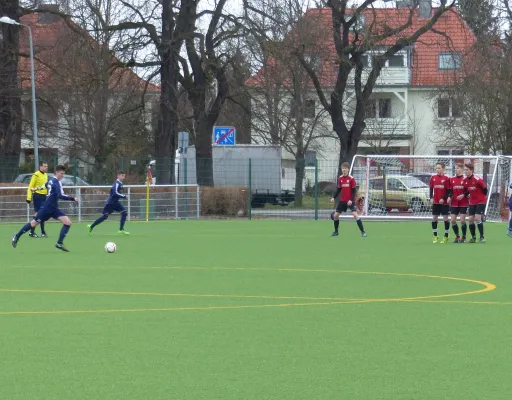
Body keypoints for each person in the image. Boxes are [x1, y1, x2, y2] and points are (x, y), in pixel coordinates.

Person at [12, 165, 78, 252]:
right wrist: (72, 198)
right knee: (33, 223)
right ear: (56, 172)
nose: (62, 175)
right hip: (47, 208)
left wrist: (36, 188)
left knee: (68, 222)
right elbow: (60, 195)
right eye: (61, 173)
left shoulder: (51, 180)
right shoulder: (56, 182)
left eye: (63, 174)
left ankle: (59, 243)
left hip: (54, 208)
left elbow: (44, 185)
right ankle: (16, 236)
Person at [329, 162, 367, 237]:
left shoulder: (351, 179)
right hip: (342, 200)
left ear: (348, 169)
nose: (344, 170)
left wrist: (351, 200)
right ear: (341, 169)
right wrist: (333, 197)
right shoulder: (340, 178)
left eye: (345, 168)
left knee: (355, 215)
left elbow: (354, 191)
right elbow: (339, 189)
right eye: (343, 168)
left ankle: (363, 232)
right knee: (336, 216)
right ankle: (336, 232)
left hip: (350, 200)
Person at [87, 171, 130, 235]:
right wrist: (124, 196)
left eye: (124, 176)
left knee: (124, 213)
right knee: (105, 216)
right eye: (122, 175)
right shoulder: (117, 183)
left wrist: (122, 195)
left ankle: (121, 230)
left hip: (116, 203)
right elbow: (115, 193)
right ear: (118, 176)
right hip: (111, 203)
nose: (123, 177)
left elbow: (117, 193)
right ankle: (91, 226)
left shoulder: (120, 183)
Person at [462, 162, 487, 243]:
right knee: (470, 219)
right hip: (472, 202)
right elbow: (468, 191)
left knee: (477, 218)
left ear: (471, 170)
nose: (466, 171)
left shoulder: (477, 179)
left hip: (480, 201)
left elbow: (485, 189)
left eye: (467, 170)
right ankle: (473, 237)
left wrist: (480, 196)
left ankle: (482, 237)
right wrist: (463, 195)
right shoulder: (465, 181)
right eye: (465, 170)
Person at [429, 162, 451, 244]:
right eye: (436, 168)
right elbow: (431, 188)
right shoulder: (433, 177)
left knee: (445, 218)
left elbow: (448, 190)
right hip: (436, 202)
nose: (437, 170)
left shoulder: (446, 178)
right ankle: (435, 236)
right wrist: (431, 197)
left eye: (439, 168)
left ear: (443, 169)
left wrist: (443, 198)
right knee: (434, 218)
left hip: (444, 202)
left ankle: (446, 236)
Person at [26, 161, 49, 238]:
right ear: (40, 167)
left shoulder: (46, 175)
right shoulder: (36, 175)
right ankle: (33, 232)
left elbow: (45, 186)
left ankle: (41, 232)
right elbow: (31, 186)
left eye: (47, 166)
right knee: (39, 213)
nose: (46, 168)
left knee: (43, 213)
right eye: (45, 166)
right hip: (37, 196)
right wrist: (28, 197)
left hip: (44, 196)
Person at [447, 163, 468, 243]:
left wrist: (463, 195)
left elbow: (468, 191)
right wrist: (449, 197)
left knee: (462, 220)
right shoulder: (452, 179)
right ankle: (457, 236)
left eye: (458, 168)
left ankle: (464, 236)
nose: (456, 170)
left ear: (462, 169)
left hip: (463, 202)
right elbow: (451, 191)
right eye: (455, 168)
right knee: (452, 220)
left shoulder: (465, 179)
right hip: (454, 203)